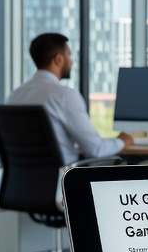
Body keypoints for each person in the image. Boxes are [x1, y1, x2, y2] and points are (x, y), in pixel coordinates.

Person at [8, 33, 131, 164]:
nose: (71, 60)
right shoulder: (64, 95)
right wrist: (123, 140)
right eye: (69, 55)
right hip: (63, 179)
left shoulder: (14, 95)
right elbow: (96, 149)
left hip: (21, 180)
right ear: (58, 59)